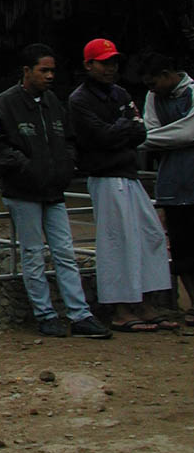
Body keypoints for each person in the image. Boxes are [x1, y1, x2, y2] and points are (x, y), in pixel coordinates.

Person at [0, 43, 111, 338]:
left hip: (53, 190)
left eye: (52, 70)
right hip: (23, 192)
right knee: (33, 254)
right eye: (44, 70)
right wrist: (24, 166)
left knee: (64, 252)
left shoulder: (53, 102)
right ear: (27, 71)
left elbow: (69, 139)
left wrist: (66, 165)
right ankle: (45, 314)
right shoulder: (6, 103)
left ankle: (80, 315)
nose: (50, 76)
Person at [68, 38, 175, 332]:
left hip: (127, 172)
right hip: (105, 175)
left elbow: (139, 132)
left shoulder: (121, 93)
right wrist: (122, 129)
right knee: (117, 239)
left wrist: (119, 131)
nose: (110, 68)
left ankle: (146, 301)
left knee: (150, 234)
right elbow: (100, 136)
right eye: (104, 63)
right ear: (89, 64)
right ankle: (121, 308)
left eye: (113, 62)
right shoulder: (79, 100)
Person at [140, 51, 194, 328]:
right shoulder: (153, 98)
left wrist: (146, 138)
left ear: (165, 75)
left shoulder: (192, 93)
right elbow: (148, 133)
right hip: (172, 185)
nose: (152, 90)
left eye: (153, 83)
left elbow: (189, 131)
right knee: (182, 249)